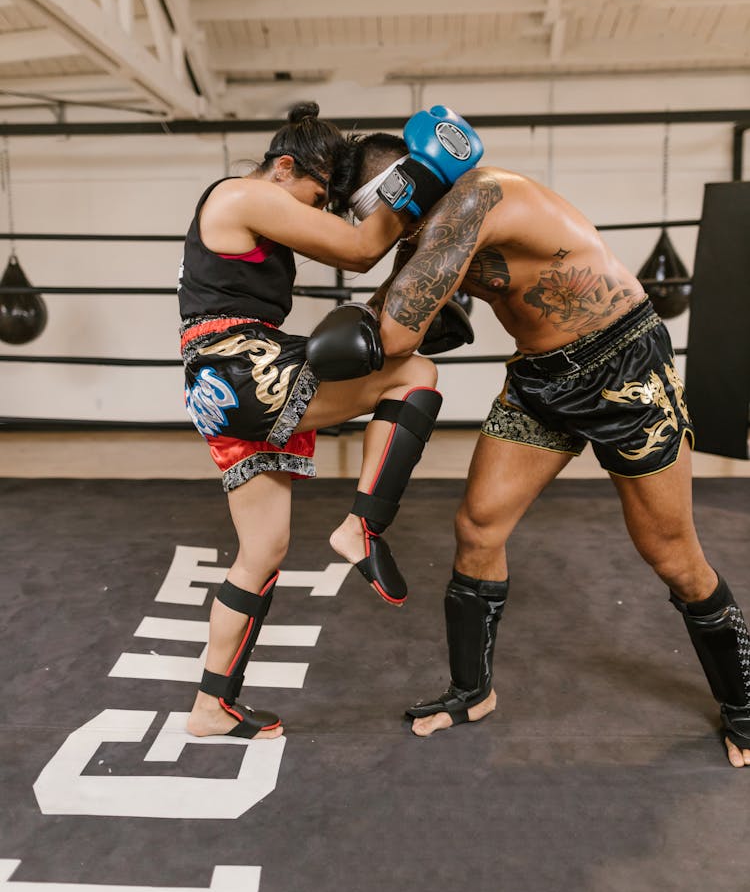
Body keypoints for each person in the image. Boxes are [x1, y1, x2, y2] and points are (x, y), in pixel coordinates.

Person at [338, 130, 750, 768]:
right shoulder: (430, 230)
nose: (368, 232)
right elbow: (393, 309)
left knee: (672, 553)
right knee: (478, 526)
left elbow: (391, 332)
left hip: (622, 367)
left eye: (369, 214)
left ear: (401, 189)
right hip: (541, 379)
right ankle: (471, 692)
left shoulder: (475, 202)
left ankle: (745, 705)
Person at [178, 103, 447, 742]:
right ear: (286, 166)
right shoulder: (242, 193)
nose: (321, 210)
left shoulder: (255, 211)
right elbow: (358, 250)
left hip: (219, 384)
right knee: (415, 374)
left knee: (262, 553)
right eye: (319, 194)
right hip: (245, 367)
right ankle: (362, 526)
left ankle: (210, 706)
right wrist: (424, 177)